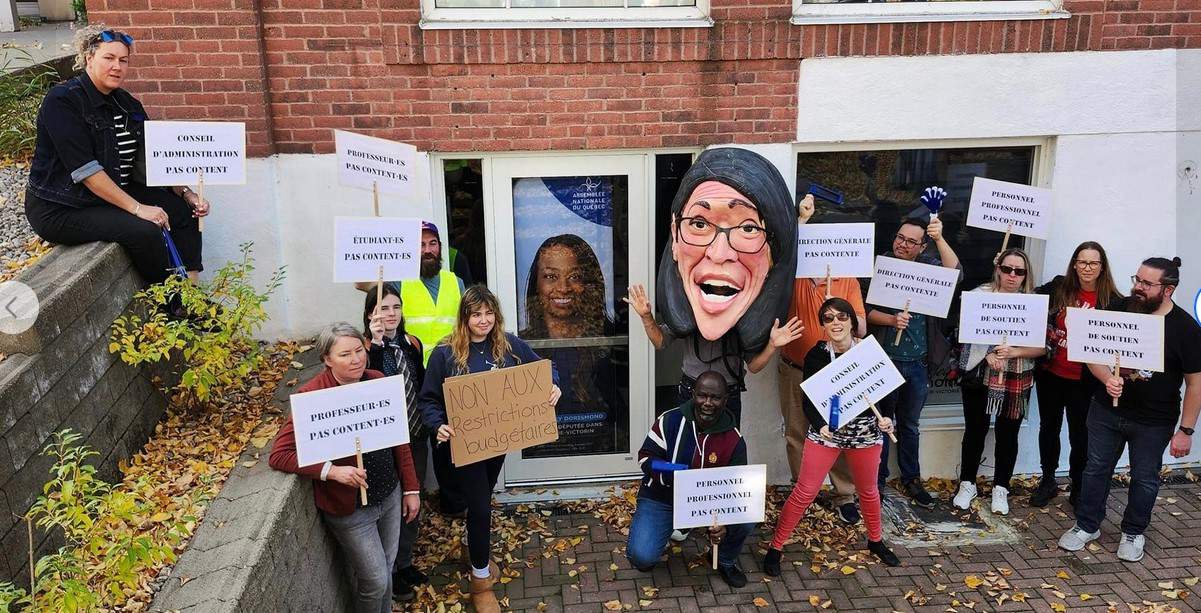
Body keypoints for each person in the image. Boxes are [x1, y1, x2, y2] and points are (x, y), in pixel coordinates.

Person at [625, 147, 803, 425]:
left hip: (728, 396)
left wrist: (771, 344)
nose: (719, 254)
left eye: (748, 229)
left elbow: (753, 367)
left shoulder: (743, 323)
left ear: (772, 251)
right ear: (675, 235)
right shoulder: (687, 313)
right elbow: (661, 342)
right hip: (690, 391)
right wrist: (646, 316)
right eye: (698, 223)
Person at [25, 26, 209, 285]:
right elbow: (86, 171)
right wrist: (138, 208)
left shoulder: (127, 104)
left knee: (181, 213)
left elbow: (155, 158)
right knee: (144, 231)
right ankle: (172, 302)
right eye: (108, 58)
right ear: (89, 58)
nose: (117, 66)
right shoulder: (63, 100)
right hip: (63, 207)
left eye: (123, 60)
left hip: (108, 195)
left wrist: (187, 194)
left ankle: (193, 295)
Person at [418, 286, 562, 613]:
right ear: (464, 318)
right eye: (475, 314)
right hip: (466, 447)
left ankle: (474, 546)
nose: (483, 321)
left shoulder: (508, 344)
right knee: (481, 508)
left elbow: (543, 368)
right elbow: (428, 399)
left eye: (488, 313)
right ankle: (480, 579)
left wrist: (553, 385)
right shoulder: (445, 353)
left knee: (481, 502)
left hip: (496, 445)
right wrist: (436, 423)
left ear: (495, 314)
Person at [268, 323, 421, 613]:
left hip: (389, 495)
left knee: (386, 571)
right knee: (374, 580)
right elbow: (280, 455)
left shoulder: (376, 381)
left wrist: (411, 488)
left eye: (359, 351)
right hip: (350, 509)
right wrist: (332, 471)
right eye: (345, 354)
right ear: (327, 358)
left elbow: (400, 440)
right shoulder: (312, 396)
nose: (356, 359)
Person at [1059, 257, 1201, 563]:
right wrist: (1107, 378)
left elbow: (1195, 384)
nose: (1137, 287)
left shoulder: (1186, 328)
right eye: (1137, 279)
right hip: (1106, 412)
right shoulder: (1119, 308)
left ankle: (1134, 531)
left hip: (1154, 421)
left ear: (1168, 290)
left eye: (1146, 284)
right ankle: (1087, 524)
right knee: (1096, 468)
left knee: (1144, 478)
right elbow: (1090, 353)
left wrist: (1186, 431)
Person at [762, 298, 900, 575]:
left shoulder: (870, 352)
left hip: (865, 432)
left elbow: (887, 390)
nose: (835, 322)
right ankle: (776, 547)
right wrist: (818, 423)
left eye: (841, 316)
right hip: (828, 432)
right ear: (823, 325)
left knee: (868, 491)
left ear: (852, 321)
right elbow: (809, 398)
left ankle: (875, 540)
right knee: (805, 490)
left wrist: (886, 418)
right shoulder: (817, 356)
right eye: (828, 318)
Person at [357, 220, 466, 515]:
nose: (427, 250)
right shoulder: (401, 284)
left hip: (450, 372)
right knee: (420, 440)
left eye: (432, 244)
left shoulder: (455, 281)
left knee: (449, 444)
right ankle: (410, 502)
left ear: (440, 248)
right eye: (420, 245)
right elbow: (363, 285)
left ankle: (453, 503)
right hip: (415, 375)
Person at [777, 194, 869, 525]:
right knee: (797, 433)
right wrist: (801, 220)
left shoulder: (847, 279)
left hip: (838, 370)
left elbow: (860, 325)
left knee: (839, 432)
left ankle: (844, 494)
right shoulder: (795, 275)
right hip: (795, 369)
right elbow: (781, 258)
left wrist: (837, 305)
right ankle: (807, 492)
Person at [866, 216, 962, 508]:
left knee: (910, 425)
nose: (903, 245)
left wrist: (940, 237)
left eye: (911, 241)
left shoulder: (930, 268)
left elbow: (955, 273)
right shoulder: (881, 265)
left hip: (918, 364)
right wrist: (892, 319)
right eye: (900, 237)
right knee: (881, 425)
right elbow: (864, 311)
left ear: (922, 247)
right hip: (884, 361)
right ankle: (876, 483)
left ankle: (911, 480)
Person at [626, 371, 754, 587]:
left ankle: (725, 560)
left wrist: (723, 522)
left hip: (708, 506)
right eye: (702, 395)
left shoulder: (734, 439)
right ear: (693, 394)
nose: (708, 403)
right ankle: (671, 528)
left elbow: (735, 486)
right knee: (642, 558)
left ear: (725, 400)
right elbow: (646, 458)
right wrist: (679, 473)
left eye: (715, 398)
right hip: (663, 498)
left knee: (747, 517)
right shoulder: (669, 420)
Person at [951, 249, 1046, 515]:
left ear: (1026, 274)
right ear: (998, 269)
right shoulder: (980, 296)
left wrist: (1015, 351)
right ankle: (967, 483)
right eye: (1007, 269)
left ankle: (1000, 487)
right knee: (975, 431)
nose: (1012, 276)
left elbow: (1042, 346)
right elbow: (963, 334)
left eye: (1019, 271)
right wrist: (988, 354)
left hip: (1017, 374)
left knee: (1008, 433)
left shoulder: (1032, 303)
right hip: (981, 374)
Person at [1030, 241, 1122, 507]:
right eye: (1082, 262)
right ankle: (1047, 480)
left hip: (1086, 380)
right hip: (1052, 373)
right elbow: (1028, 299)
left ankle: (1078, 484)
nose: (1087, 268)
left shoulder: (1112, 301)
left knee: (1080, 434)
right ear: (1074, 264)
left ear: (1102, 267)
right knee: (1049, 428)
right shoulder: (1060, 287)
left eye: (1093, 263)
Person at [520, 234, 625, 457]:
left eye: (574, 276)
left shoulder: (609, 340)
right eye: (550, 276)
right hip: (540, 457)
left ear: (587, 284)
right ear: (536, 285)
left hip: (600, 454)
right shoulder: (523, 346)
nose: (563, 287)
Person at [362, 285, 427, 600]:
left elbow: (422, 383)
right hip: (386, 442)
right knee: (394, 502)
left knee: (415, 498)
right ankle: (391, 571)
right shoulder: (364, 348)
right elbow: (366, 382)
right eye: (382, 308)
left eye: (395, 307)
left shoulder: (411, 343)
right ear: (370, 314)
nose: (390, 314)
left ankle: (405, 562)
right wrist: (374, 344)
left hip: (415, 434)